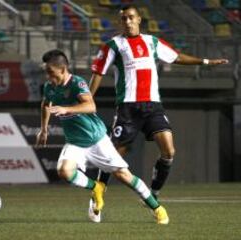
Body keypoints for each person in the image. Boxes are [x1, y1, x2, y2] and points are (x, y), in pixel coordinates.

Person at [88, 5, 229, 221]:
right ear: (119, 22)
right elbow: (98, 73)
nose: (127, 21)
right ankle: (98, 196)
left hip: (153, 106)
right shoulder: (113, 45)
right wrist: (87, 100)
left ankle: (153, 193)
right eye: (123, 18)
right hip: (128, 107)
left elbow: (176, 57)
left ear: (139, 20)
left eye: (131, 17)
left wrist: (206, 62)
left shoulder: (152, 42)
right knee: (114, 156)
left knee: (169, 150)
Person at [36, 49, 169, 224]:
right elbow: (46, 103)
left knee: (124, 175)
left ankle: (157, 209)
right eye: (46, 73)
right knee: (64, 171)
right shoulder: (50, 87)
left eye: (51, 72)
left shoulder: (77, 83)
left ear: (62, 69)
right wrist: (44, 129)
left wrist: (67, 109)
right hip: (75, 142)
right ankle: (96, 187)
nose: (48, 77)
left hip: (96, 139)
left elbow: (91, 106)